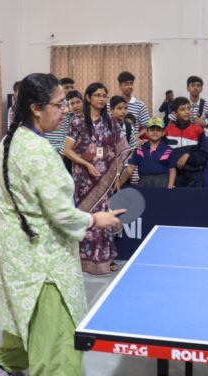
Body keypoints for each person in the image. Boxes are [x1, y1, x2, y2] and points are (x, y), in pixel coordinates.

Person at [0, 73, 124, 376]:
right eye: (59, 104)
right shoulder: (41, 154)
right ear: (35, 108)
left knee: (21, 306)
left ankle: (6, 367)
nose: (66, 111)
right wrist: (95, 218)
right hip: (41, 254)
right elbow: (61, 214)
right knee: (58, 339)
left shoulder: (10, 140)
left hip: (14, 244)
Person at [64, 82, 132, 276]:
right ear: (88, 98)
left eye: (105, 95)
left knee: (103, 217)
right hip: (83, 178)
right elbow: (67, 151)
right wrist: (85, 164)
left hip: (104, 179)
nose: (102, 99)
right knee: (84, 217)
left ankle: (104, 258)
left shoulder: (111, 122)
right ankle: (81, 259)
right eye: (98, 95)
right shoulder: (77, 121)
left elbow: (120, 150)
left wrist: (116, 175)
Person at [117, 117, 176, 189]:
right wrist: (120, 183)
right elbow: (130, 168)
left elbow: (172, 169)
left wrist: (170, 184)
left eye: (158, 130)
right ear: (147, 132)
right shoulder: (139, 149)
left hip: (163, 183)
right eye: (152, 130)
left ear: (163, 133)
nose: (155, 132)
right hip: (143, 182)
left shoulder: (168, 150)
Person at [164, 97, 208, 187]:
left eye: (189, 108)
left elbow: (205, 155)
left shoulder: (198, 130)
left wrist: (188, 155)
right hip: (175, 175)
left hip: (195, 175)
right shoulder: (167, 130)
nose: (187, 112)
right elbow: (163, 152)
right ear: (175, 113)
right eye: (182, 109)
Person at [115, 71, 150, 135]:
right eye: (126, 84)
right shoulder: (112, 104)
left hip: (132, 143)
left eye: (131, 83)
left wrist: (136, 136)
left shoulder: (140, 105)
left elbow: (147, 126)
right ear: (120, 86)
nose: (130, 86)